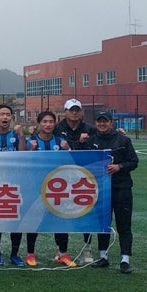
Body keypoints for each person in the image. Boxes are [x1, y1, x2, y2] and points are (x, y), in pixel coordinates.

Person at [84, 111, 139, 274]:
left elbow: (134, 162)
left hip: (122, 188)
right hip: (100, 190)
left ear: (111, 123)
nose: (102, 124)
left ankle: (125, 260)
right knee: (103, 224)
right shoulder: (91, 141)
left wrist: (119, 167)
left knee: (124, 224)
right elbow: (84, 161)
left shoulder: (123, 140)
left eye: (105, 121)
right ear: (95, 123)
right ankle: (103, 256)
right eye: (99, 121)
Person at [27, 111, 75, 267]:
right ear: (39, 123)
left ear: (55, 124)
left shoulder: (61, 142)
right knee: (34, 220)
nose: (48, 125)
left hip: (57, 189)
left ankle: (62, 254)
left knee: (60, 220)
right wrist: (30, 151)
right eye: (45, 122)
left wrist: (68, 149)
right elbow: (23, 164)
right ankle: (30, 254)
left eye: (51, 122)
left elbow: (72, 162)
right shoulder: (31, 142)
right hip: (36, 188)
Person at [54, 98, 97, 263]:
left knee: (86, 213)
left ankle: (87, 248)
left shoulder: (90, 129)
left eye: (77, 110)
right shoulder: (57, 128)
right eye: (71, 110)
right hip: (61, 178)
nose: (74, 112)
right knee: (61, 213)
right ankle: (61, 249)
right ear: (65, 112)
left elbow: (97, 147)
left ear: (81, 112)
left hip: (83, 178)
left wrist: (118, 132)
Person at [0, 104, 26, 267]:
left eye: (8, 114)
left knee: (15, 220)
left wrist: (21, 135)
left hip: (15, 183)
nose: (5, 117)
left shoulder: (16, 135)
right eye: (2, 114)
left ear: (11, 118)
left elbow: (22, 155)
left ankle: (14, 254)